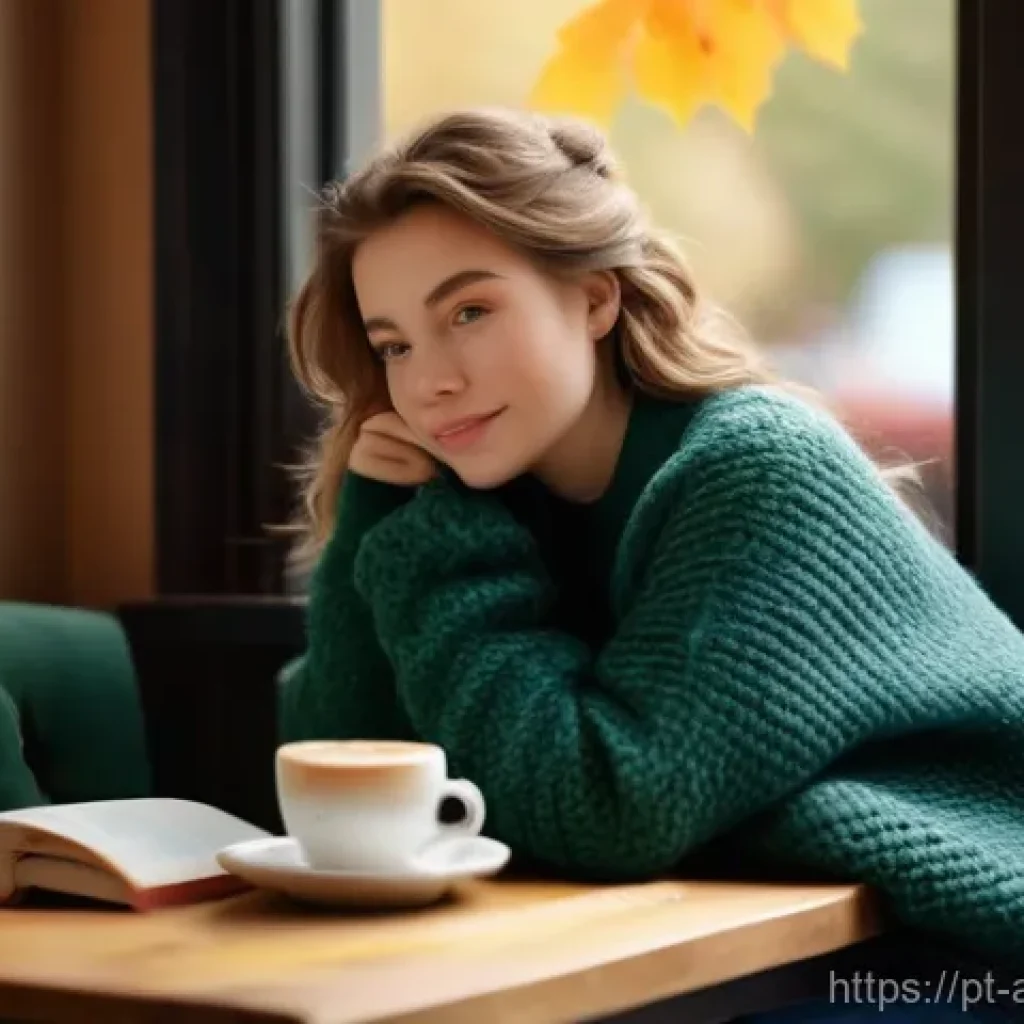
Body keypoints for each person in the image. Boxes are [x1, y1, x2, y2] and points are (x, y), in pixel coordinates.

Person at [279, 106, 1024, 1005]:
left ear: (596, 297)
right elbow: (344, 775)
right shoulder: (481, 501)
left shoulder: (756, 470)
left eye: (469, 311)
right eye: (393, 343)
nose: (429, 380)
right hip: (761, 937)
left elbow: (610, 807)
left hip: (961, 950)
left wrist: (440, 553)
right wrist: (379, 518)